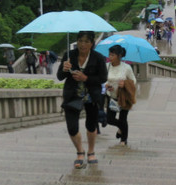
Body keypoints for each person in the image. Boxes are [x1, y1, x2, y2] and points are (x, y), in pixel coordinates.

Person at [57, 30, 107, 168]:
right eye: (80, 41)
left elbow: (103, 78)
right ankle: (80, 151)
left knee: (91, 125)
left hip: (92, 95)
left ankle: (91, 151)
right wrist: (64, 69)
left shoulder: (98, 58)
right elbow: (60, 76)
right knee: (72, 127)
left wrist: (86, 78)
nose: (82, 44)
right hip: (73, 95)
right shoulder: (69, 55)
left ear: (91, 43)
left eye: (86, 41)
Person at [105, 44, 137, 147]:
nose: (110, 57)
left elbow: (133, 81)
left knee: (123, 118)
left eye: (112, 55)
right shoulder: (107, 66)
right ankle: (121, 128)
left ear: (119, 56)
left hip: (123, 96)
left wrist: (125, 84)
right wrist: (106, 84)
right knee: (110, 119)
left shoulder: (126, 67)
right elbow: (103, 79)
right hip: (112, 96)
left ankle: (124, 139)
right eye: (109, 54)